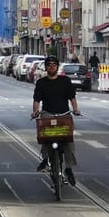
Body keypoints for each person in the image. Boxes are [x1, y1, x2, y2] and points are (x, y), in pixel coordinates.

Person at [31, 55, 82, 183]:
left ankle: (69, 168)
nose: (51, 67)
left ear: (57, 67)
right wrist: (35, 112)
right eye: (49, 65)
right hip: (48, 114)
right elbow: (36, 100)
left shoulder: (65, 81)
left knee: (69, 141)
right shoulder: (41, 82)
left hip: (63, 114)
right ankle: (45, 160)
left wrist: (75, 109)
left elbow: (72, 97)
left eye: (54, 65)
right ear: (46, 67)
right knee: (44, 136)